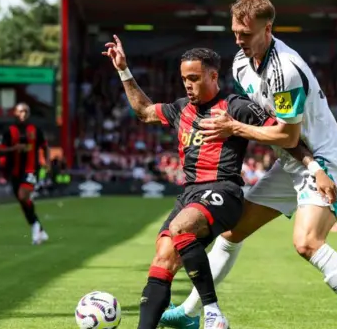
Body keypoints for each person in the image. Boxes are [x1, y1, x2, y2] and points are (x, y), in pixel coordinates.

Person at [161, 0, 337, 329]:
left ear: (267, 29)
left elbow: (288, 136)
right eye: (235, 32)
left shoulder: (285, 70)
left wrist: (234, 128)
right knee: (231, 232)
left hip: (323, 162)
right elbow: (267, 124)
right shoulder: (241, 63)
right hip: (292, 163)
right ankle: (191, 312)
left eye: (246, 33)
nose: (238, 41)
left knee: (307, 243)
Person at [103, 37, 315, 329]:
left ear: (213, 76)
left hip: (223, 191)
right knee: (163, 257)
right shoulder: (179, 109)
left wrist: (314, 166)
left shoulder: (236, 107)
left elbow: (284, 136)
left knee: (180, 227)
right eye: (183, 79)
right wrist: (124, 71)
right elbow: (144, 111)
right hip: (189, 195)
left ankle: (213, 312)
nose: (187, 85)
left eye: (194, 78)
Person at [0, 103, 50, 245]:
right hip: (14, 170)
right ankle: (38, 227)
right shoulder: (8, 131)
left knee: (23, 195)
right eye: (20, 111)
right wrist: (14, 148)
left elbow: (45, 146)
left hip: (31, 169)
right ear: (15, 113)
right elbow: (0, 150)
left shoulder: (35, 130)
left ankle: (35, 229)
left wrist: (47, 161)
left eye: (26, 111)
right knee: (23, 201)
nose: (23, 114)